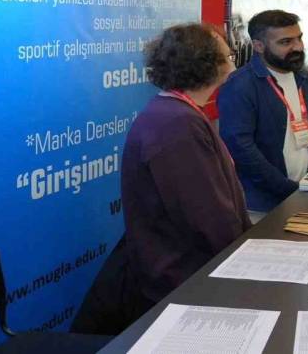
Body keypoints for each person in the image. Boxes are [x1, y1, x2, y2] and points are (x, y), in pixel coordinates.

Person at [75, 23, 251, 334]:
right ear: (206, 64)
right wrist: (244, 260)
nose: (233, 62)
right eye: (228, 55)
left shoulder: (177, 113)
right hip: (181, 278)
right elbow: (204, 214)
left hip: (186, 269)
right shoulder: (177, 124)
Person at [218, 10, 308, 217]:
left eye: (299, 38)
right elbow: (240, 147)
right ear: (259, 46)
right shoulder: (240, 85)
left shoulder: (306, 80)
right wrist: (285, 188)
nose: (298, 47)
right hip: (262, 204)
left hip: (305, 194)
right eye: (286, 42)